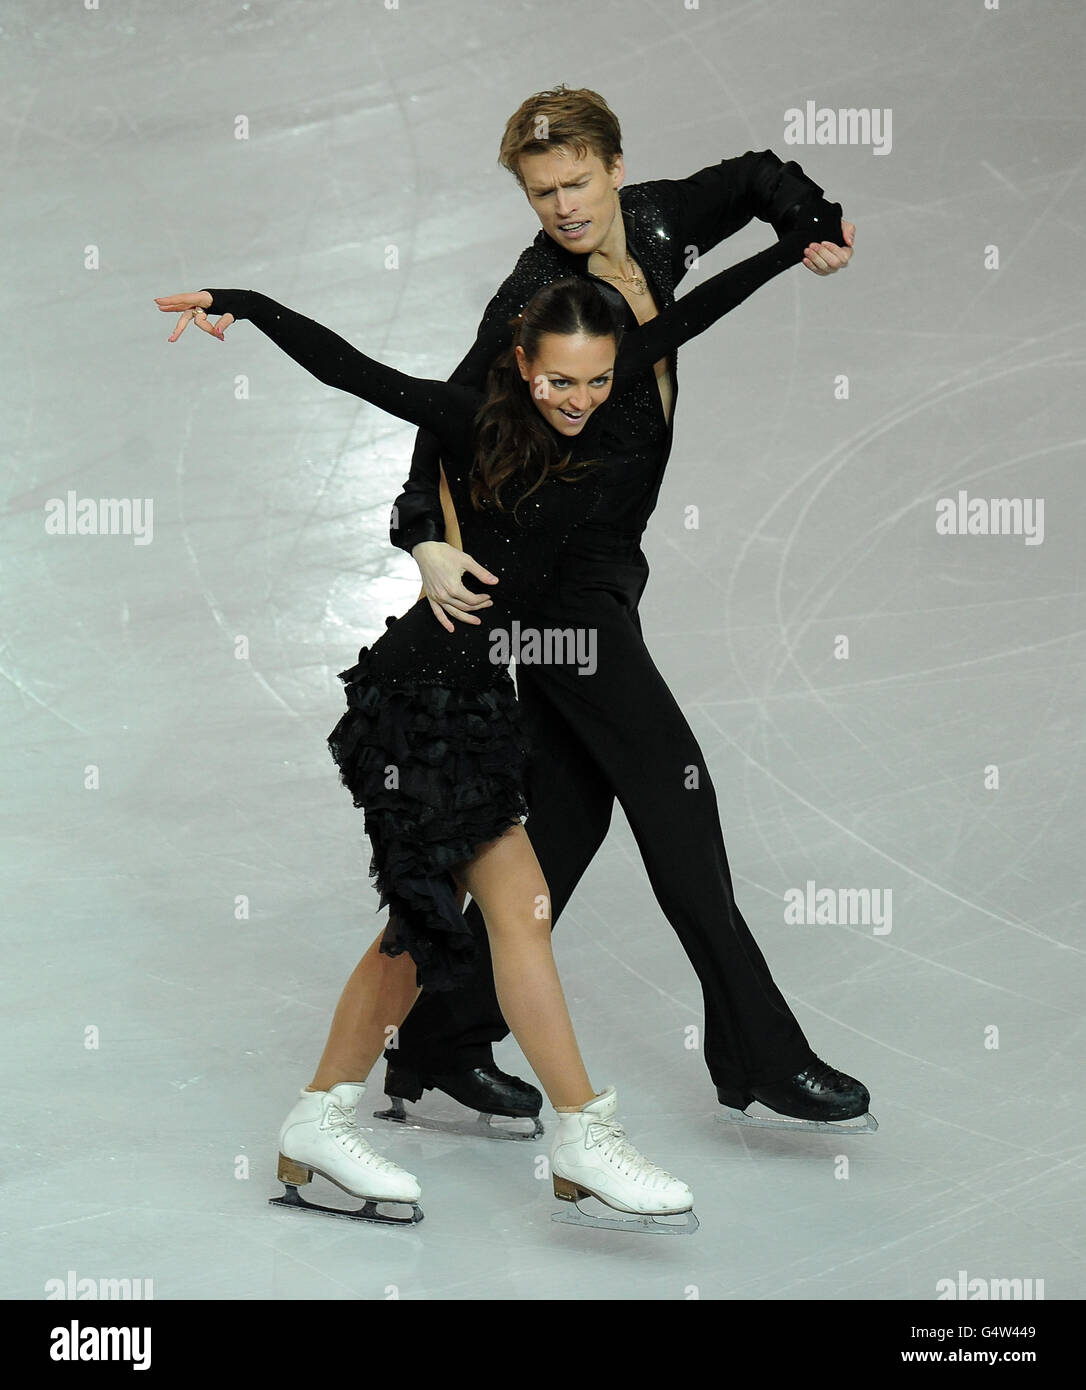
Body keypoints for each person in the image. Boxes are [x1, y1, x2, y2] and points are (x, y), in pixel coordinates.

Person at [154, 207, 838, 1225]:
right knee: (460, 922)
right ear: (522, 365)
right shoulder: (477, 417)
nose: (580, 400)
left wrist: (789, 249)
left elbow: (692, 314)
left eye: (599, 380)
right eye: (559, 380)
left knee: (459, 925)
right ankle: (563, 1132)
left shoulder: (611, 384)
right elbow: (352, 370)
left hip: (478, 699)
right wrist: (245, 306)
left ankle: (370, 1119)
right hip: (417, 703)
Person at [384, 86, 873, 1135]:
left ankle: (441, 1038)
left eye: (574, 183)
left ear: (613, 168)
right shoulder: (532, 299)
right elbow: (449, 415)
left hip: (608, 569)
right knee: (676, 797)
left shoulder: (653, 221)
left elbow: (749, 176)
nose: (561, 207)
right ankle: (761, 1051)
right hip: (553, 595)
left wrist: (808, 219)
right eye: (539, 191)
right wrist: (423, 530)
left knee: (565, 817)